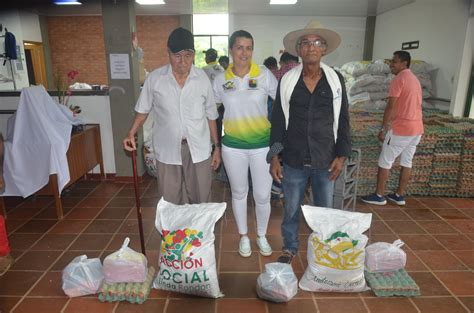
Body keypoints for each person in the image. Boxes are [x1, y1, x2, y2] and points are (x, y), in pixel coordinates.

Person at [268, 20, 351, 264]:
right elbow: (278, 122)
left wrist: (342, 155)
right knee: (291, 208)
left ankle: (323, 249)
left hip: (325, 158)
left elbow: (344, 118)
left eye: (316, 43)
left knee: (323, 210)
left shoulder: (336, 80)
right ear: (299, 49)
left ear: (324, 48)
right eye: (306, 43)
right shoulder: (288, 80)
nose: (311, 47)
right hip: (293, 158)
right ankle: (289, 247)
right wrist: (274, 156)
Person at [123, 27, 221, 205]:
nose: (183, 62)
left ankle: (200, 233)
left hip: (198, 149)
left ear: (194, 55)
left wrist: (217, 147)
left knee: (201, 199)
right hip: (167, 148)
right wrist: (131, 133)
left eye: (188, 55)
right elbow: (142, 110)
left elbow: (211, 115)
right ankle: (172, 233)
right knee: (170, 202)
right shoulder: (155, 79)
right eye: (177, 55)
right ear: (168, 53)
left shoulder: (202, 79)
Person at [213, 30, 278, 258]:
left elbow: (281, 104)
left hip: (262, 147)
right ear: (231, 50)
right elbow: (213, 112)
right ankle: (243, 236)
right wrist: (216, 146)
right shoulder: (220, 79)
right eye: (239, 47)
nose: (244, 52)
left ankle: (261, 235)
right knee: (239, 193)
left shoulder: (264, 75)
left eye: (248, 47)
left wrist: (279, 143)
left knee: (262, 195)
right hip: (233, 147)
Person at [361, 51, 423, 206]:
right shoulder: (414, 79)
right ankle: (399, 195)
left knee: (385, 161)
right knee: (407, 162)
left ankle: (379, 195)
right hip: (417, 128)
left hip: (402, 128)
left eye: (394, 62)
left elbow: (391, 106)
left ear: (404, 64)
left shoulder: (399, 79)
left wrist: (383, 128)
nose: (391, 65)